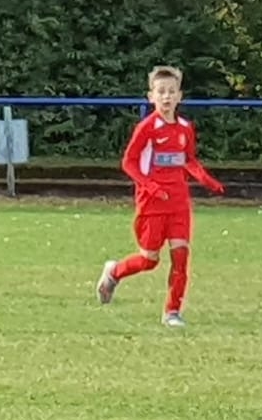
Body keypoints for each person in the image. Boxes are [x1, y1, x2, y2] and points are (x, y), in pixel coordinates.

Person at [95, 66, 225, 328]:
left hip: (178, 203)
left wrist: (205, 178)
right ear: (151, 96)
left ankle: (172, 312)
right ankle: (114, 271)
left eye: (171, 91)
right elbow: (129, 162)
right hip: (152, 204)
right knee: (149, 260)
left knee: (181, 257)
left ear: (180, 96)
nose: (166, 97)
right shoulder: (146, 128)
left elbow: (188, 159)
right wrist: (150, 186)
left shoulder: (185, 128)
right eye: (161, 92)